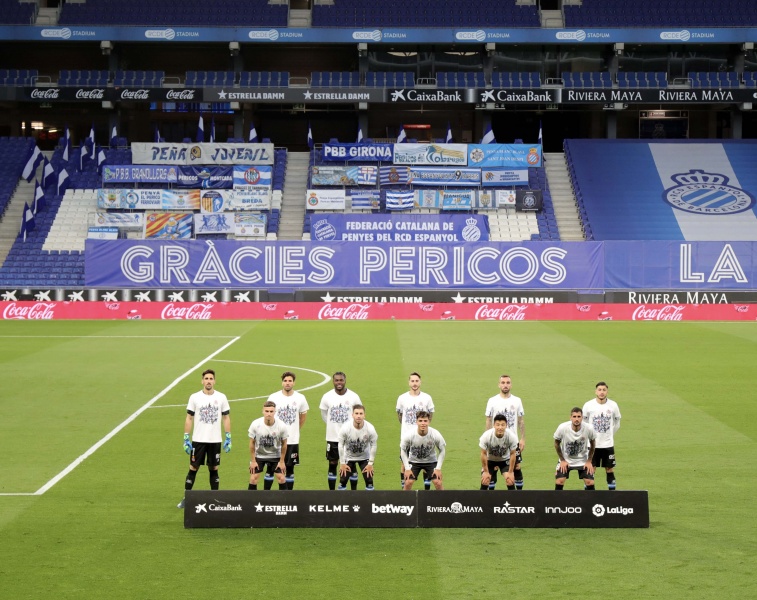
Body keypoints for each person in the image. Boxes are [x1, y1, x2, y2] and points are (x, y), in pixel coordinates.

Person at [178, 368, 231, 508]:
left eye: (211, 378)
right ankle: (186, 497)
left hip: (215, 440)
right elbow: (189, 417)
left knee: (214, 467)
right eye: (206, 378)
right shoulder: (194, 397)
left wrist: (228, 436)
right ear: (202, 381)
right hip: (198, 440)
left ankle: (215, 498)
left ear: (214, 381)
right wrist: (186, 437)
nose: (208, 381)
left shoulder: (221, 397)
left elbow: (226, 417)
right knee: (193, 467)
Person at [319, 372, 361, 490]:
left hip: (350, 437)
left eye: (341, 380)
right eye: (336, 380)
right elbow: (324, 415)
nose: (339, 383)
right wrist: (333, 425)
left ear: (345, 381)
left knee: (351, 464)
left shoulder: (354, 396)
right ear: (333, 381)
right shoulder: (327, 396)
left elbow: (358, 414)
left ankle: (353, 492)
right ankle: (332, 492)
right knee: (332, 463)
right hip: (332, 437)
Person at [483, 374, 526, 490]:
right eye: (503, 383)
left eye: (507, 383)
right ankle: (492, 496)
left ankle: (519, 495)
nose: (505, 385)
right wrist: (487, 438)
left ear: (511, 385)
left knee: (516, 466)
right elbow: (488, 420)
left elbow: (521, 420)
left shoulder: (517, 401)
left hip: (513, 440)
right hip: (495, 440)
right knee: (493, 467)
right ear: (499, 385)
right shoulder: (492, 400)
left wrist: (522, 438)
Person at [269, 371, 309, 490]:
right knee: (273, 467)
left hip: (292, 439)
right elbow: (269, 415)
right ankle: (269, 494)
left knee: (290, 468)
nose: (287, 383)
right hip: (275, 440)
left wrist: (295, 430)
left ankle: (289, 495)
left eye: (290, 381)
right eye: (285, 381)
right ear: (282, 382)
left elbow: (303, 416)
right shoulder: (274, 397)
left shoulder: (300, 398)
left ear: (294, 383)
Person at [396, 372, 435, 489]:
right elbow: (399, 415)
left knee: (425, 462)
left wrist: (425, 427)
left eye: (416, 381)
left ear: (420, 382)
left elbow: (430, 414)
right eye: (412, 381)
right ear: (409, 382)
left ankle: (426, 490)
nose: (414, 383)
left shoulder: (427, 398)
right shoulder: (402, 398)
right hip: (406, 437)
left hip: (423, 437)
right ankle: (404, 489)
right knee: (404, 463)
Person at [582, 381, 622, 490]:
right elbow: (583, 423)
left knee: (609, 468)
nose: (602, 392)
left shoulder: (613, 405)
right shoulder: (588, 405)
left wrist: (610, 434)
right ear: (596, 391)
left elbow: (617, 422)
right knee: (591, 469)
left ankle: (612, 493)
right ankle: (590, 494)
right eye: (599, 390)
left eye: (604, 390)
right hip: (592, 444)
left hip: (608, 444)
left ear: (607, 392)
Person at [248, 401, 289, 490]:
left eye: (271, 411)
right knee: (253, 479)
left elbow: (284, 444)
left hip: (275, 455)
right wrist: (253, 461)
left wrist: (282, 461)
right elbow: (251, 443)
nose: (269, 414)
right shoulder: (255, 424)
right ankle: (250, 502)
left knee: (281, 478)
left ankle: (285, 501)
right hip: (259, 455)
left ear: (275, 412)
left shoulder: (281, 426)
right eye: (267, 411)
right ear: (263, 411)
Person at [400, 411, 446, 491]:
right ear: (416, 422)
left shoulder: (435, 434)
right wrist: (407, 469)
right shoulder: (409, 435)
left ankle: (445, 502)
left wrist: (438, 468)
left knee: (438, 482)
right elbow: (403, 450)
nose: (423, 423)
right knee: (408, 482)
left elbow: (442, 450)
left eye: (425, 421)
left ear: (429, 422)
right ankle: (405, 503)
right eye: (420, 421)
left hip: (431, 462)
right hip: (414, 462)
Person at [553, 407, 596, 490]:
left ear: (582, 418)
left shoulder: (589, 428)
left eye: (579, 417)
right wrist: (562, 460)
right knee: (559, 481)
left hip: (583, 460)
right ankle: (557, 502)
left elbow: (593, 443)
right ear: (570, 417)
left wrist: (589, 461)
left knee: (590, 482)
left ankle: (592, 502)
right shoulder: (562, 427)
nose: (577, 419)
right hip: (566, 459)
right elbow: (556, 443)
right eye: (574, 416)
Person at [337, 404, 378, 490]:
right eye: (356, 413)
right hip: (348, 457)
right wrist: (342, 463)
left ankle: (369, 503)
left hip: (364, 457)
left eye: (361, 413)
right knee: (343, 481)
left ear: (364, 415)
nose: (358, 416)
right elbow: (340, 445)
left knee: (369, 481)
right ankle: (341, 502)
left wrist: (370, 463)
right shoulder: (345, 428)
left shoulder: (370, 428)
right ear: (352, 415)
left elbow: (373, 445)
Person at [479, 414, 518, 491]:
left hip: (504, 460)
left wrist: (510, 472)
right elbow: (483, 454)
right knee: (485, 480)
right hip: (490, 460)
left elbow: (513, 454)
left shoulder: (511, 436)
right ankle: (480, 502)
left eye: (503, 425)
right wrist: (486, 471)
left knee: (510, 481)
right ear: (494, 425)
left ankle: (514, 502)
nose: (500, 427)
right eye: (498, 425)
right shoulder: (486, 436)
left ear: (506, 426)